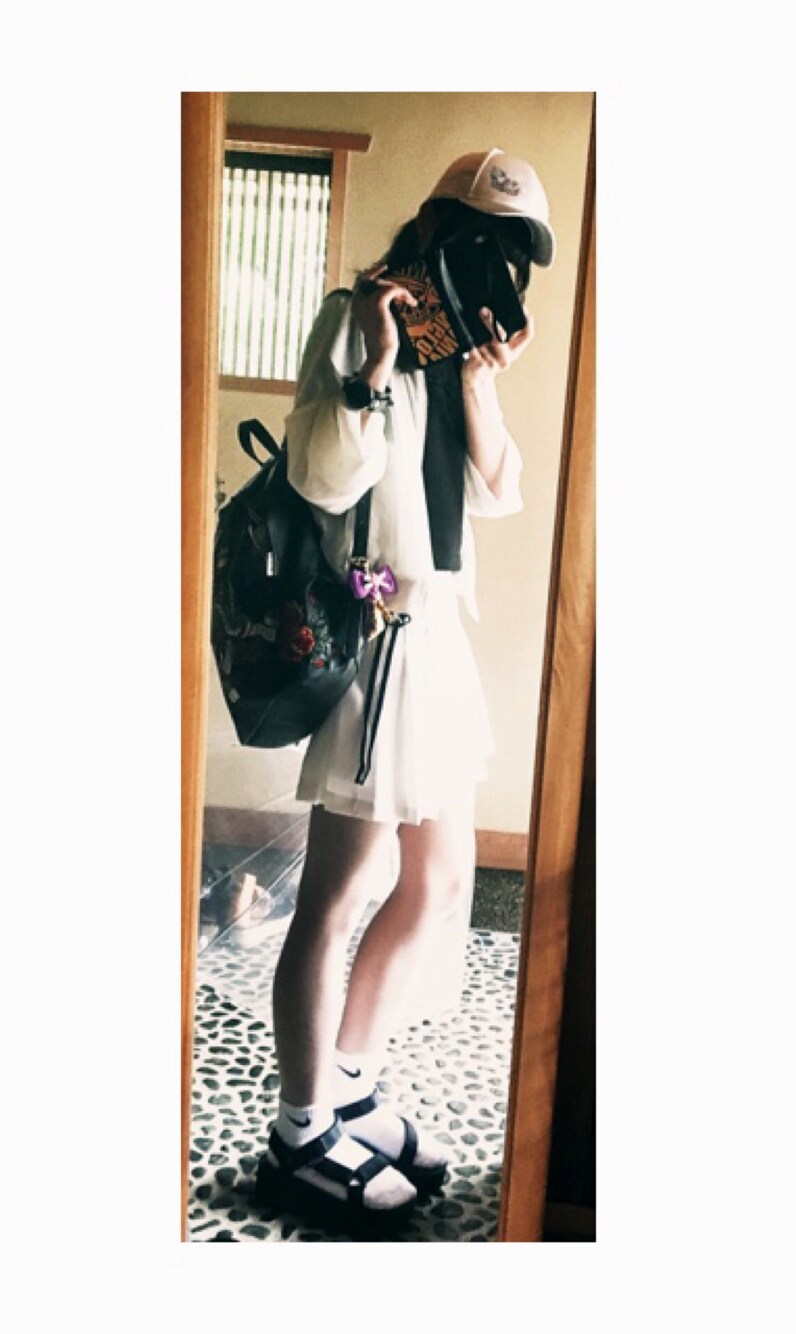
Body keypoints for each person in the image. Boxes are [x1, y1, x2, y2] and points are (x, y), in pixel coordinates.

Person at [254, 149, 557, 1229]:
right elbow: (320, 477)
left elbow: (498, 491)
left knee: (434, 885)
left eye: (508, 255)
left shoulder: (454, 347)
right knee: (336, 896)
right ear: (433, 231)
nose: (492, 268)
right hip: (377, 640)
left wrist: (477, 381)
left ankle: (348, 1082)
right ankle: (298, 1131)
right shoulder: (357, 320)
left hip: (436, 646)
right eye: (479, 242)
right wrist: (374, 366)